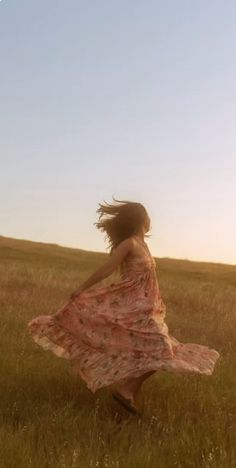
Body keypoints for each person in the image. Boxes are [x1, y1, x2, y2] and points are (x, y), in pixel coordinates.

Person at [28, 197, 220, 415]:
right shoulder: (129, 243)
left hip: (146, 309)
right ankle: (126, 391)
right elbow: (108, 268)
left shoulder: (144, 244)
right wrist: (82, 288)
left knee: (156, 352)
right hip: (131, 307)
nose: (150, 220)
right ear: (141, 219)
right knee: (162, 350)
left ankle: (127, 393)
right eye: (147, 216)